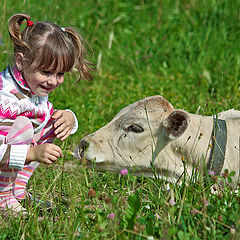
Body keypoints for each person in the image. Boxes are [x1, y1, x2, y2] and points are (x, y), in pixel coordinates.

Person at [0, 13, 93, 214]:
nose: (53, 81)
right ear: (21, 62)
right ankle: (3, 196)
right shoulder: (6, 97)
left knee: (54, 122)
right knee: (24, 126)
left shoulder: (30, 85)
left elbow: (44, 115)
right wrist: (32, 153)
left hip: (10, 151)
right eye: (46, 72)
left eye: (60, 74)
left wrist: (68, 117)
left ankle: (17, 189)